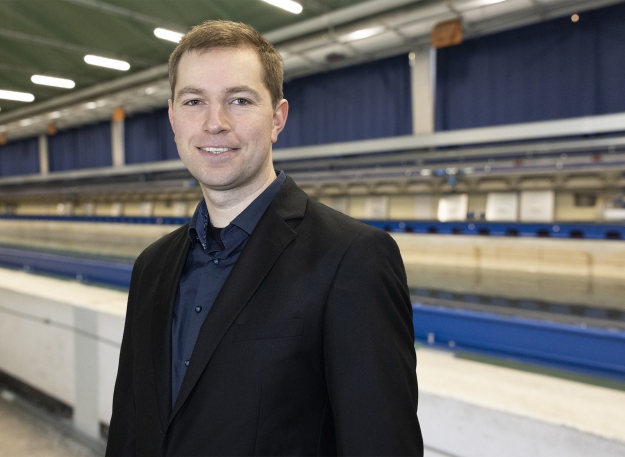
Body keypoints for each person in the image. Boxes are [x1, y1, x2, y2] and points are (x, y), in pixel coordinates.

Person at [106, 20, 423, 456]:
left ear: (277, 118)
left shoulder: (352, 259)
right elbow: (129, 427)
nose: (214, 123)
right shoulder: (152, 266)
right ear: (173, 119)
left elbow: (381, 444)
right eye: (194, 101)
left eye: (239, 100)